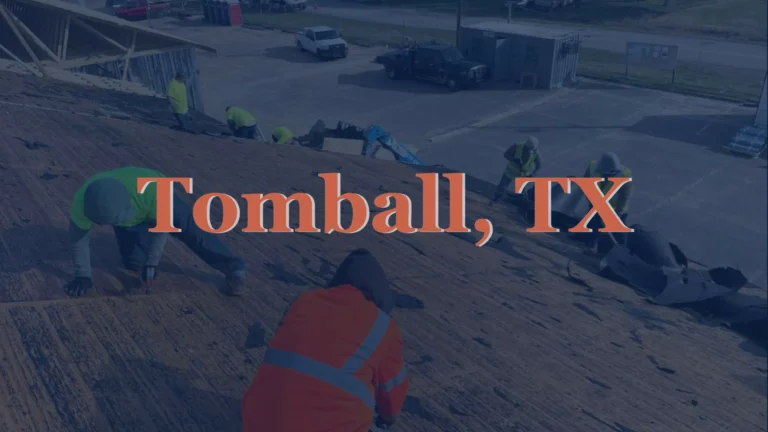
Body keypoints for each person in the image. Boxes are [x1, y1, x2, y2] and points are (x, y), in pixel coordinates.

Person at [242, 249, 408, 432]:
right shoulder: (383, 325)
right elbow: (392, 400)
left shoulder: (304, 301)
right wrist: (386, 419)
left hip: (256, 423)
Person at [64, 167, 247, 297]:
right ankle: (138, 234)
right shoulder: (83, 201)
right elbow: (78, 240)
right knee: (134, 263)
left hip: (157, 195)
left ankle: (234, 268)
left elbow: (161, 231)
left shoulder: (155, 193)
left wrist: (152, 263)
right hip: (133, 211)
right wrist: (83, 276)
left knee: (195, 233)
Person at [583, 152, 633, 250]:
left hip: (616, 209)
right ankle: (592, 245)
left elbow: (624, 198)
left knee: (619, 234)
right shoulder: (593, 167)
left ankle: (621, 250)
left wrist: (614, 217)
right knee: (593, 228)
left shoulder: (625, 176)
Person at [491, 136, 542, 204]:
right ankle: (496, 198)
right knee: (502, 186)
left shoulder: (535, 153)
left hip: (523, 174)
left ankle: (519, 202)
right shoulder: (518, 146)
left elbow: (539, 165)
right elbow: (506, 154)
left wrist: (533, 174)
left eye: (531, 149)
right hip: (510, 171)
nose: (529, 151)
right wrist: (514, 160)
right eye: (528, 149)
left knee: (521, 191)